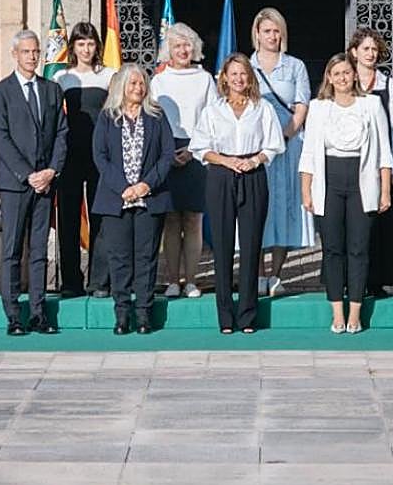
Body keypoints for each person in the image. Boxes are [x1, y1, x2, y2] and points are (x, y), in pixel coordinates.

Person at [190, 54, 284, 334]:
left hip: (253, 174)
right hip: (221, 175)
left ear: (250, 77)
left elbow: (274, 145)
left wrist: (255, 160)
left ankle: (247, 315)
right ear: (225, 78)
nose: (239, 79)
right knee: (222, 245)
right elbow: (200, 148)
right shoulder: (213, 110)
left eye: (243, 73)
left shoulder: (263, 108)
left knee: (251, 245)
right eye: (233, 74)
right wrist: (225, 161)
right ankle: (225, 316)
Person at [300, 53, 392, 333]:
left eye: (346, 72)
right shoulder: (318, 107)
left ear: (354, 75)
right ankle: (337, 312)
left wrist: (385, 190)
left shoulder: (372, 104)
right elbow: (308, 153)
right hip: (329, 182)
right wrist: (306, 190)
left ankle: (355, 312)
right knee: (332, 249)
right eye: (336, 73)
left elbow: (384, 151)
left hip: (362, 183)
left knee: (358, 249)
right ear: (329, 77)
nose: (342, 78)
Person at [0, 30, 68, 336]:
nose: (32, 57)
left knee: (39, 251)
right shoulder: (0, 92)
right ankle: (13, 315)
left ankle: (38, 312)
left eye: (36, 51)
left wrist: (51, 171)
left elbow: (61, 133)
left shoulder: (52, 90)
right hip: (14, 184)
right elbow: (1, 137)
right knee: (12, 250)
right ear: (15, 54)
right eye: (26, 51)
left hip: (45, 183)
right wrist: (27, 174)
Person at [91, 64, 175, 335]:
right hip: (116, 199)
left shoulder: (157, 116)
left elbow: (167, 155)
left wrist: (145, 185)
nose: (138, 88)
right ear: (122, 87)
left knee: (146, 258)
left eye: (142, 83)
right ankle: (122, 314)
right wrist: (123, 187)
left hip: (149, 199)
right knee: (119, 258)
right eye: (133, 84)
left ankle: (143, 314)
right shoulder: (107, 117)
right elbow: (100, 156)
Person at [150, 23, 216, 299]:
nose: (183, 50)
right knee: (171, 219)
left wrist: (192, 149)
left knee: (193, 219)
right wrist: (168, 152)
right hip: (167, 149)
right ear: (169, 49)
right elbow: (153, 118)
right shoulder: (159, 81)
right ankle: (172, 281)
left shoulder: (205, 79)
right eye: (177, 45)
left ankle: (191, 280)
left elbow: (212, 117)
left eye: (187, 44)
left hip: (197, 150)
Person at [249, 8, 312, 295]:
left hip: (288, 147)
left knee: (284, 207)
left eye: (277, 31)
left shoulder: (295, 66)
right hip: (255, 149)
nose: (272, 36)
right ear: (257, 34)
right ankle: (258, 274)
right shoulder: (247, 66)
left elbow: (301, 106)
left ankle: (275, 274)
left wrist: (285, 135)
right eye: (267, 31)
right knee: (258, 207)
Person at [53, 22, 116, 299]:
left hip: (100, 154)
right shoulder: (62, 77)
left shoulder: (109, 75)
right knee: (68, 217)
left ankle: (99, 280)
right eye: (81, 44)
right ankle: (70, 281)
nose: (86, 49)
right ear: (73, 47)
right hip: (70, 153)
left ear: (97, 46)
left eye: (90, 43)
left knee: (100, 216)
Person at [348, 28, 393, 296]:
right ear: (354, 52)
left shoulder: (388, 84)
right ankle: (351, 280)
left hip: (379, 165)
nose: (371, 54)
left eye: (374, 49)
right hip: (351, 163)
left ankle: (377, 280)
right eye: (366, 49)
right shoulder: (345, 80)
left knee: (381, 224)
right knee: (353, 225)